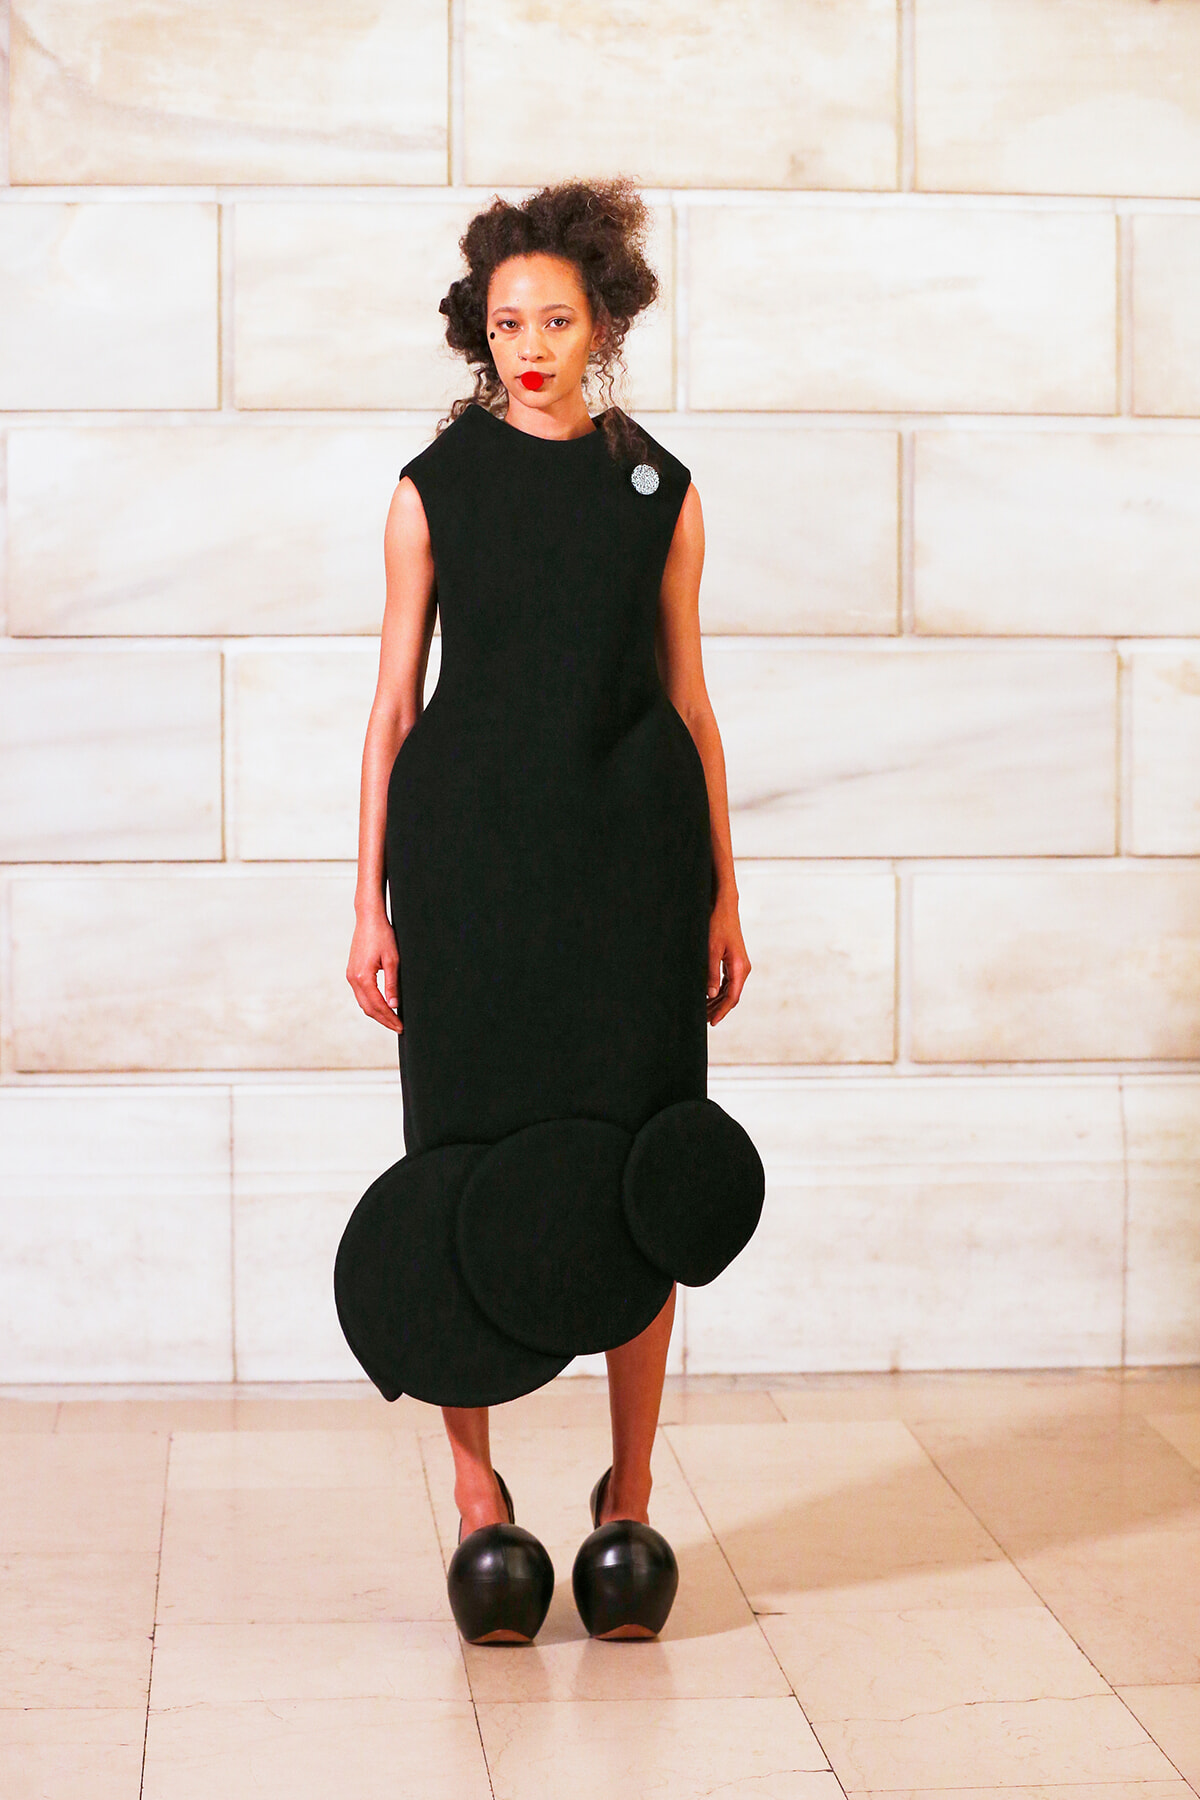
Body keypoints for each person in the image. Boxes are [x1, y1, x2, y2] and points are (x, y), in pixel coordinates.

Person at [336, 178, 765, 1646]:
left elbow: (692, 706)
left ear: (604, 324)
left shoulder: (661, 490)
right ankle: (476, 1505)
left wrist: (721, 890)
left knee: (645, 1167)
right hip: (468, 880)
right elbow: (393, 709)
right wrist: (367, 907)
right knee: (459, 1166)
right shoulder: (431, 489)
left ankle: (629, 1496)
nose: (530, 345)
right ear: (482, 329)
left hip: (633, 879)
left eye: (557, 320)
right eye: (507, 321)